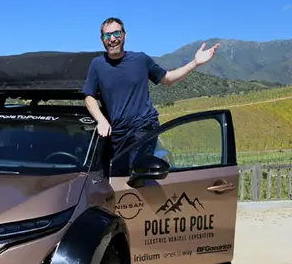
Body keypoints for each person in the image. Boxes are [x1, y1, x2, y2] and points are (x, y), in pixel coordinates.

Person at [81, 17, 220, 176]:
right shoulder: (97, 65)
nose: (112, 39)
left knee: (136, 176)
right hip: (117, 135)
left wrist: (195, 63)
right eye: (107, 36)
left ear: (125, 35)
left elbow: (168, 79)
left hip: (143, 128)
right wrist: (101, 120)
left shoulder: (140, 60)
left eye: (117, 33)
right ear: (102, 40)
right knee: (116, 178)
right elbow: (89, 97)